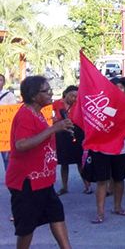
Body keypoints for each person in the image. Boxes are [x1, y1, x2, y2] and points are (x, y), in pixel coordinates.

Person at [5, 76, 72, 248]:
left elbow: (40, 135)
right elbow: (21, 144)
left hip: (43, 181)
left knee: (56, 214)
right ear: (34, 96)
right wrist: (53, 129)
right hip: (27, 182)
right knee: (26, 227)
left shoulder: (38, 113)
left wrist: (56, 125)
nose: (51, 93)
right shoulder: (25, 115)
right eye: (46, 90)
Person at [88, 77, 125, 223]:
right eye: (115, 87)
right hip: (102, 149)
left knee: (119, 179)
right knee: (102, 181)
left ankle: (117, 207)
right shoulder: (100, 104)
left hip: (122, 149)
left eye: (121, 87)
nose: (118, 90)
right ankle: (100, 212)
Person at [52, 86, 90, 195]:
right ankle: (64, 187)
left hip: (77, 132)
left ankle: (87, 185)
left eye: (76, 96)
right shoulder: (56, 104)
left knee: (79, 161)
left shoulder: (79, 105)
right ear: (65, 94)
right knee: (64, 162)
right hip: (62, 134)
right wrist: (54, 120)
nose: (74, 98)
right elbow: (48, 115)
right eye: (72, 95)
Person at [0, 73, 18, 170]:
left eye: (0, 80)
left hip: (4, 133)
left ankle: (9, 179)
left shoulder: (9, 95)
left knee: (7, 158)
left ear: (4, 82)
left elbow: (13, 111)